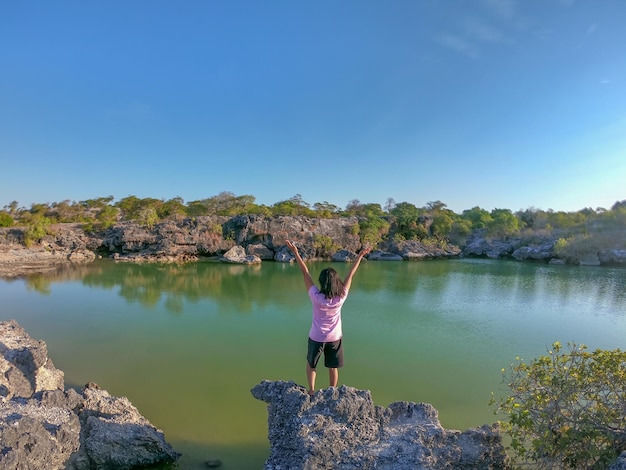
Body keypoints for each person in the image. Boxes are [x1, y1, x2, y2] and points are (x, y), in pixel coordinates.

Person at [286, 240, 371, 395]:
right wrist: (360, 256)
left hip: (316, 336)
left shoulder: (316, 297)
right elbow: (351, 274)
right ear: (336, 282)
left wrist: (295, 252)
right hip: (334, 337)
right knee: (333, 367)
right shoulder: (341, 297)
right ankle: (332, 391)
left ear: (321, 282)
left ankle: (311, 391)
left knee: (311, 364)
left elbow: (305, 272)